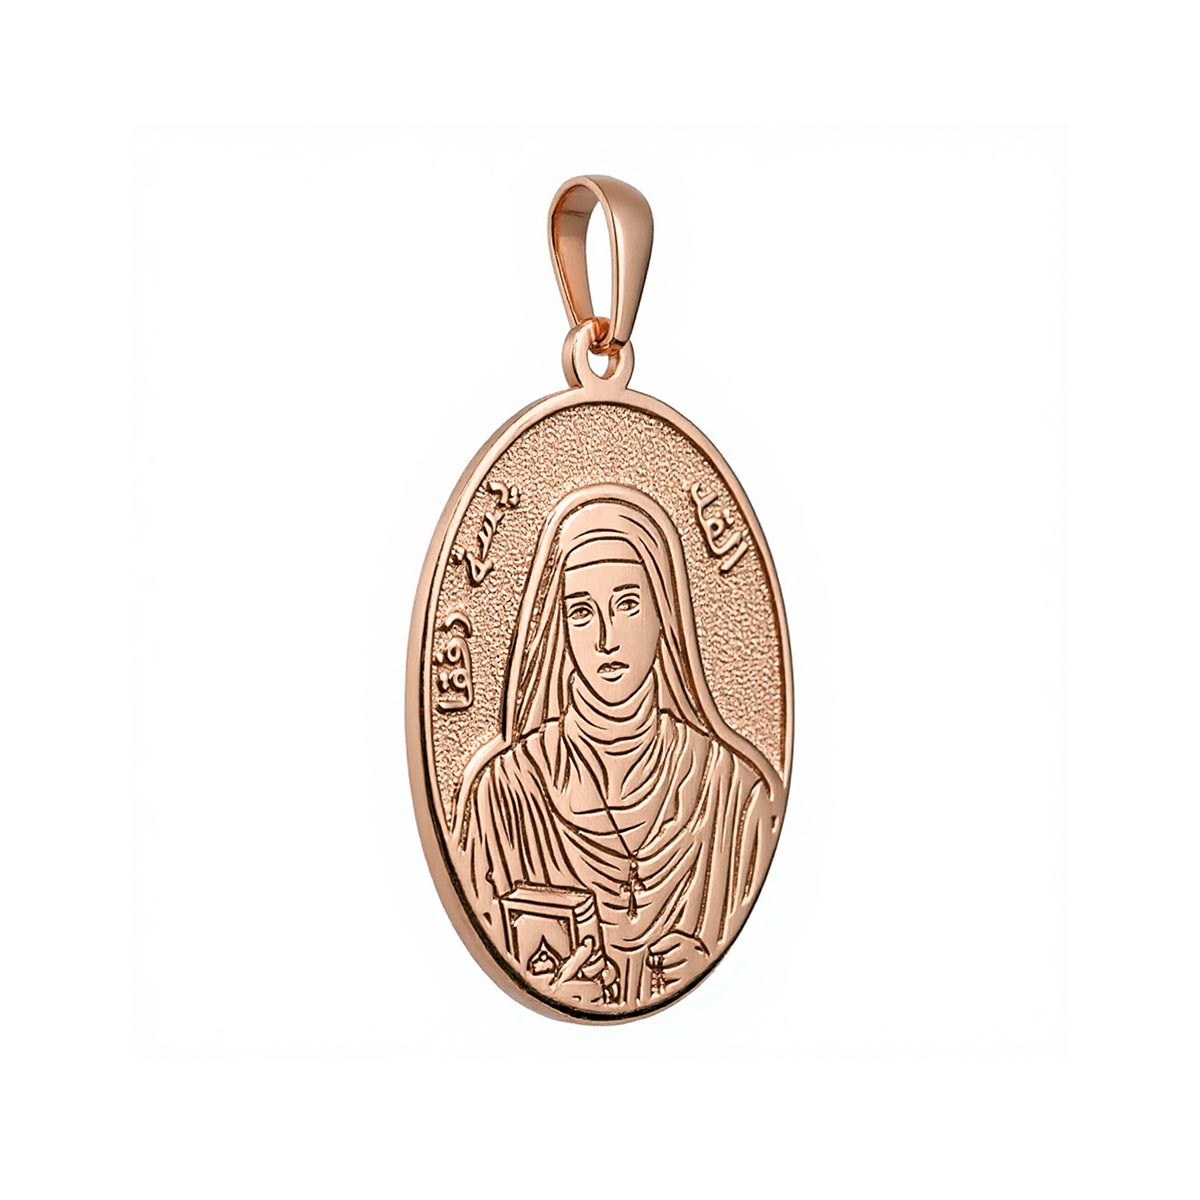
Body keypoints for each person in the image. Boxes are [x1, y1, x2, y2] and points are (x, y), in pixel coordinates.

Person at [452, 484, 783, 1008]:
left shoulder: (734, 796)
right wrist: (548, 990)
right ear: (559, 628)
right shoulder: (505, 794)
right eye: (581, 612)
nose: (605, 638)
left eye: (627, 604)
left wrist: (711, 967)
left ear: (663, 612)